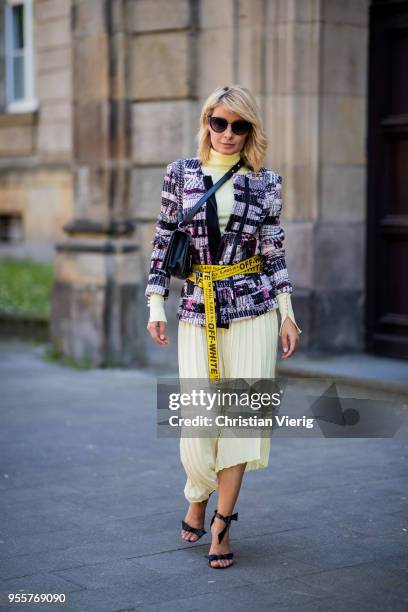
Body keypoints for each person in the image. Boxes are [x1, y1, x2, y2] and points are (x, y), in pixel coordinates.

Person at [145, 85, 302, 569]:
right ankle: (197, 492)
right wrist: (156, 303)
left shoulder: (265, 182)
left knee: (240, 422)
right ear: (206, 122)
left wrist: (287, 311)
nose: (228, 134)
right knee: (197, 424)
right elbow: (162, 241)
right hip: (197, 307)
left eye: (240, 126)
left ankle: (222, 524)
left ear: (250, 130)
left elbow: (273, 250)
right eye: (220, 123)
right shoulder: (182, 174)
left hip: (253, 309)